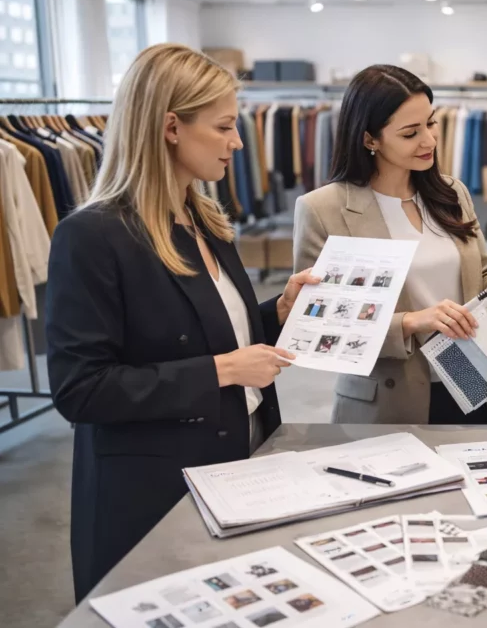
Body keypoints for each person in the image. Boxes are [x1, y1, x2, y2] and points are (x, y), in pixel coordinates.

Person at [44, 44, 320, 602]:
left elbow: (212, 333)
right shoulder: (93, 237)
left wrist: (275, 314)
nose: (238, 143)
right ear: (171, 127)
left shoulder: (205, 219)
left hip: (240, 463)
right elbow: (81, 390)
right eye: (223, 127)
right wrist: (220, 370)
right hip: (153, 491)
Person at [294, 64, 487, 425]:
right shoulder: (323, 209)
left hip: (471, 378)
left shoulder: (450, 192)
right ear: (369, 139)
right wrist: (410, 322)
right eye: (410, 133)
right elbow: (320, 325)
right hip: (388, 398)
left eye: (431, 122)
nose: (429, 140)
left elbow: (480, 276)